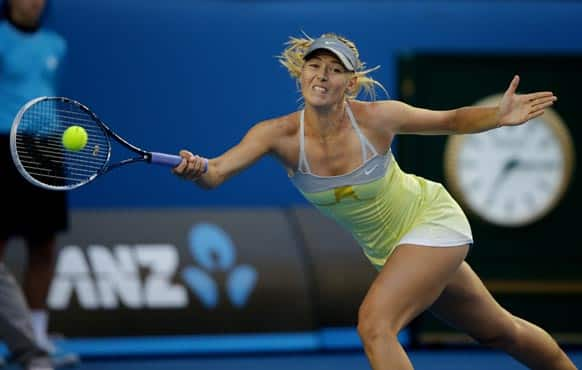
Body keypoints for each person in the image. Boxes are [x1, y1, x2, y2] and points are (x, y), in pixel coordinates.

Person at [173, 33, 576, 370]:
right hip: (392, 250)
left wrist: (497, 115)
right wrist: (198, 169)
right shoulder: (274, 136)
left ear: (350, 83)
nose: (322, 75)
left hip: (431, 220)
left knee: (374, 324)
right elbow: (217, 172)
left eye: (335, 69)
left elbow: (450, 120)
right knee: (497, 330)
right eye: (314, 66)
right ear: (301, 74)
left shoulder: (378, 118)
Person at [0, 0, 79, 366]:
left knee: (44, 246)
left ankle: (38, 337)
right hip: (3, 146)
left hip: (47, 148)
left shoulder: (55, 42)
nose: (33, 2)